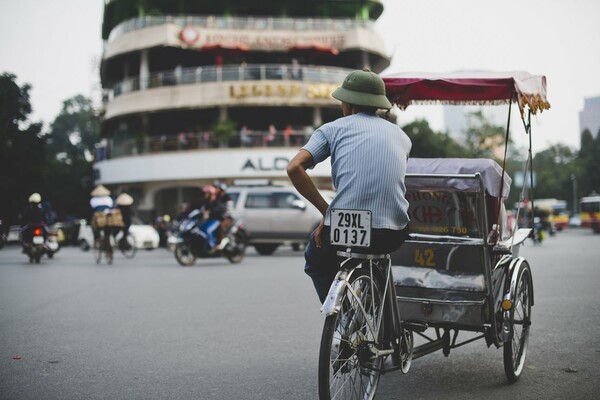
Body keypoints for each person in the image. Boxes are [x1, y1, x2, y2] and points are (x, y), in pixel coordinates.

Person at [287, 68, 412, 303]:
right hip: (392, 231)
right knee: (380, 253)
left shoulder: (332, 129)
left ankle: (341, 318)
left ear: (348, 103)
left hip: (345, 228)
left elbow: (295, 168)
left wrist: (328, 213)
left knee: (316, 261)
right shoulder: (402, 137)